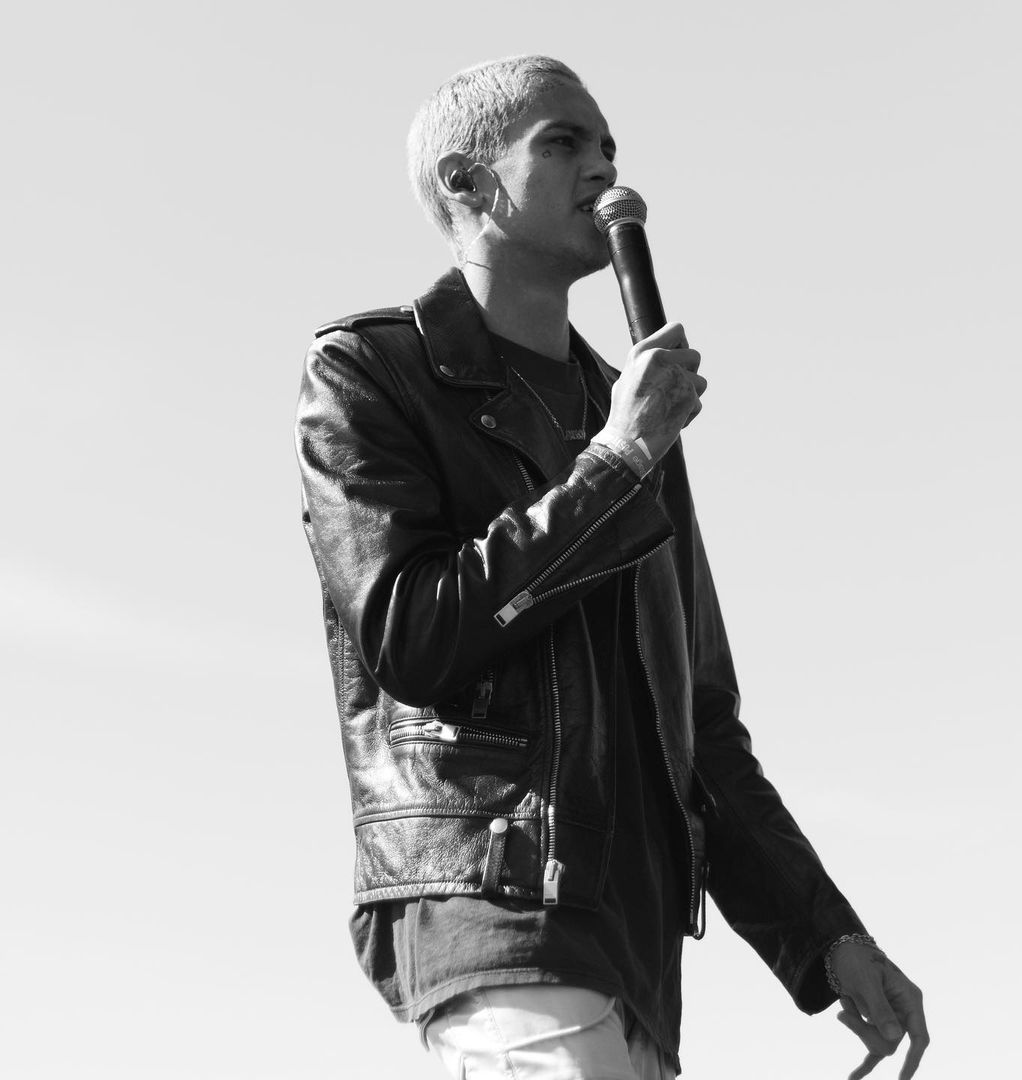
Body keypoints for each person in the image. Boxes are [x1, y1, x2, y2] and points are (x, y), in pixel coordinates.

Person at [294, 55, 929, 1080]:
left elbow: (698, 725)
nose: (605, 169)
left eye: (609, 147)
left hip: (638, 956)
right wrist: (617, 461)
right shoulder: (370, 372)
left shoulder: (628, 416)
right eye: (563, 143)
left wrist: (825, 936)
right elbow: (413, 637)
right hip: (496, 909)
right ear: (466, 182)